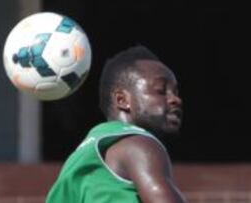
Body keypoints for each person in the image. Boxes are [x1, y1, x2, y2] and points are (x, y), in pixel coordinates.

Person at [46, 45, 186, 203]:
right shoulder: (138, 144)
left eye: (176, 92)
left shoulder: (77, 161)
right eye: (161, 90)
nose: (176, 99)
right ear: (122, 100)